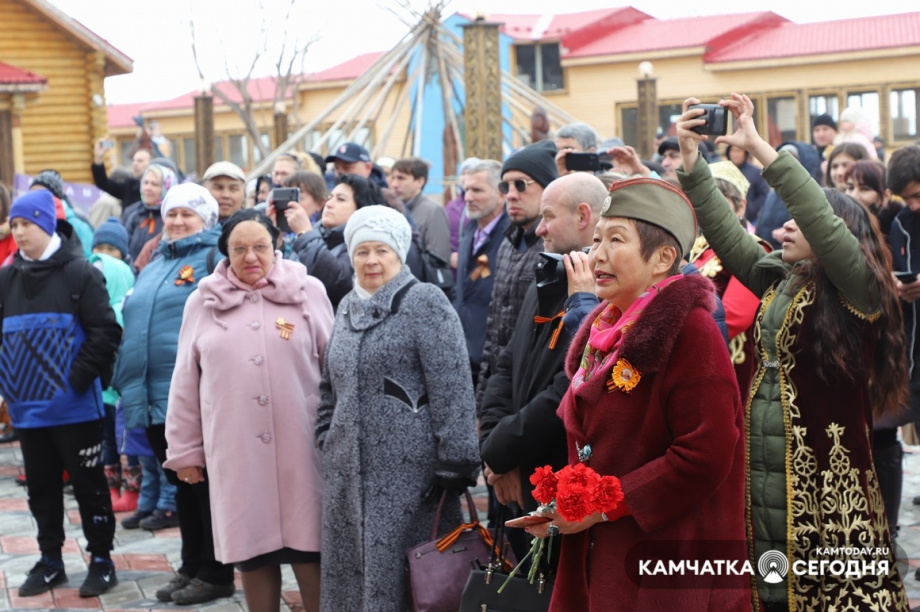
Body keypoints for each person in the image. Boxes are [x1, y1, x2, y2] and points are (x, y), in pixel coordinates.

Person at [677, 92, 908, 610]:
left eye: (795, 222)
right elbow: (729, 235)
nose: (782, 226)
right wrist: (691, 163)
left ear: (834, 236)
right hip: (763, 461)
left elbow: (817, 216)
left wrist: (759, 146)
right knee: (770, 590)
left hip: (828, 476)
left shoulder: (859, 289)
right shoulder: (782, 280)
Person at [528, 175, 748, 611]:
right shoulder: (604, 325)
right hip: (602, 552)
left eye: (616, 239)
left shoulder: (691, 331)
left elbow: (705, 453)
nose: (598, 255)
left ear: (664, 258)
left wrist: (604, 503)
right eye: (596, 240)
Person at [164, 209, 333, 612]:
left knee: (312, 552)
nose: (251, 257)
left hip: (304, 446)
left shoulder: (308, 291)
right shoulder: (202, 301)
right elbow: (185, 382)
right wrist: (185, 452)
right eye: (239, 248)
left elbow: (336, 369)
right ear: (225, 252)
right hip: (236, 448)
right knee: (253, 554)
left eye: (261, 246)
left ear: (277, 247)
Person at [315, 205, 480, 612]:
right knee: (351, 580)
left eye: (382, 251)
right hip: (346, 477)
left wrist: (455, 462)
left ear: (400, 253)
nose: (371, 260)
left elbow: (452, 383)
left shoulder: (424, 301)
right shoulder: (346, 306)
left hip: (413, 480)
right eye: (362, 251)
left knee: (411, 585)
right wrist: (326, 435)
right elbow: (327, 386)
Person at [113, 184, 236, 606]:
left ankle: (217, 571)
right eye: (172, 214)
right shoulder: (154, 264)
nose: (179, 221)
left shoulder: (213, 260)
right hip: (150, 394)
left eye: (188, 214)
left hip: (192, 395)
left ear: (207, 219)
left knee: (202, 486)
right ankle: (191, 565)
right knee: (180, 485)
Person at [0, 190, 122, 598]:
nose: (18, 232)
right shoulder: (6, 276)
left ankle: (102, 560)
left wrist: (75, 378)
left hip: (74, 410)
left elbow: (106, 332)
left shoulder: (80, 272)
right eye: (14, 225)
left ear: (46, 224)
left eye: (26, 224)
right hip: (27, 411)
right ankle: (51, 560)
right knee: (41, 490)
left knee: (90, 489)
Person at [479, 172, 606, 560]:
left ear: (583, 216)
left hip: (559, 487)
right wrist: (494, 450)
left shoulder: (600, 293)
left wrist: (502, 453)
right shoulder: (550, 275)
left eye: (548, 216)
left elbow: (565, 392)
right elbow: (507, 363)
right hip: (517, 477)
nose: (539, 228)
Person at [474, 140, 554, 407]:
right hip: (501, 391)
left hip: (532, 393)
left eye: (521, 185)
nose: (510, 194)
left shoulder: (554, 247)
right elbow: (494, 327)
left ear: (547, 189)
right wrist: (482, 400)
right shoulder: (507, 243)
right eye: (504, 186)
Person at [89, 218, 140, 513]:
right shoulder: (91, 302)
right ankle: (112, 486)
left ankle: (133, 489)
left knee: (128, 441)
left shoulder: (126, 307)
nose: (105, 254)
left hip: (121, 390)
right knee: (108, 439)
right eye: (100, 248)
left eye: (112, 248)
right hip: (101, 389)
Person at [284, 173, 379, 310]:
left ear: (361, 209)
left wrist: (305, 234)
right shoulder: (315, 235)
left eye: (340, 199)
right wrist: (276, 236)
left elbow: (340, 283)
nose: (329, 204)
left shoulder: (365, 244)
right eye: (330, 198)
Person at [453, 159, 510, 382]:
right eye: (466, 189)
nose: (468, 197)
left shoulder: (510, 236)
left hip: (492, 360)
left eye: (477, 190)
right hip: (464, 353)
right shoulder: (469, 230)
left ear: (501, 194)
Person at [389, 157, 451, 262]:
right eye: (393, 178)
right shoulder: (391, 210)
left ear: (419, 181)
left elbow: (439, 257)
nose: (394, 184)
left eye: (401, 178)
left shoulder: (433, 211)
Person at [123, 162, 178, 264]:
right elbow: (124, 248)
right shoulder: (135, 215)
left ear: (166, 188)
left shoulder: (172, 217)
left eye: (154, 184)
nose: (147, 188)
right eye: (146, 182)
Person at [845, 160, 901, 235]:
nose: (854, 196)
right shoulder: (839, 221)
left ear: (886, 195)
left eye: (864, 189)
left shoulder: (901, 226)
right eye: (850, 187)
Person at [92, 140, 152, 205]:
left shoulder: (157, 187)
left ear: (150, 164)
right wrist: (98, 157)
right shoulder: (129, 186)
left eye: (140, 161)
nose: (135, 164)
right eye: (134, 160)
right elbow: (103, 183)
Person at [726, 144, 770, 224]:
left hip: (751, 219)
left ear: (745, 153)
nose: (735, 154)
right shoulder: (724, 171)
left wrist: (750, 209)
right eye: (733, 151)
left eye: (738, 151)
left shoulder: (756, 172)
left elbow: (764, 195)